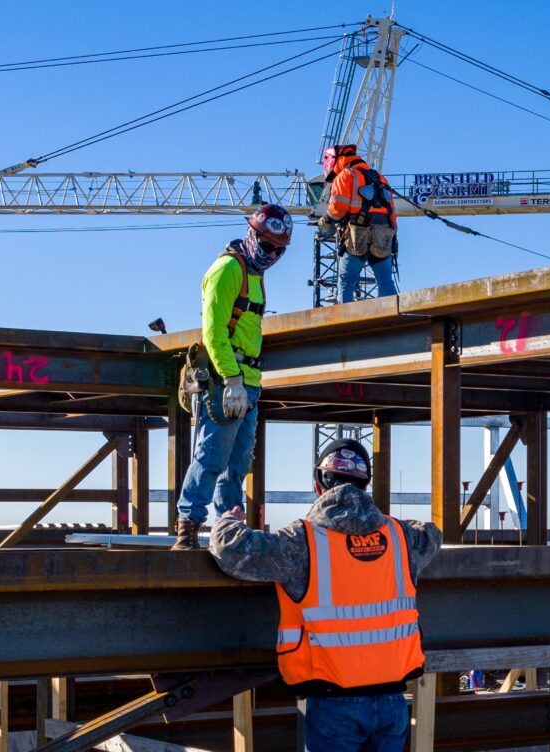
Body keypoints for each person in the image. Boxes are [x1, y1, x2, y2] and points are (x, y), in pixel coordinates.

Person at [210, 438, 442, 751]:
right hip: (392, 703)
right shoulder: (403, 538)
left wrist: (227, 521)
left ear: (319, 486)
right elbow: (432, 533)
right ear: (365, 485)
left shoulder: (301, 542)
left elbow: (229, 548)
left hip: (334, 704)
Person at [171, 204, 293, 550]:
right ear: (252, 235)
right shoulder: (228, 270)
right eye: (268, 246)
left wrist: (246, 382)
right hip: (227, 381)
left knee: (237, 465)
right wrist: (232, 379)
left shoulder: (254, 275)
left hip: (249, 383)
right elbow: (213, 333)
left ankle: (228, 528)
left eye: (278, 250)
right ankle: (188, 529)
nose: (272, 254)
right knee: (211, 457)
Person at [317, 144, 398, 304]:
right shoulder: (380, 178)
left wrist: (324, 221)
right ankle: (393, 320)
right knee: (386, 282)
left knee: (346, 282)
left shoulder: (345, 175)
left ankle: (345, 324)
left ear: (333, 160)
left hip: (357, 236)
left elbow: (337, 210)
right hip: (384, 235)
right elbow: (392, 214)